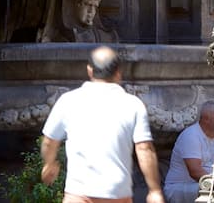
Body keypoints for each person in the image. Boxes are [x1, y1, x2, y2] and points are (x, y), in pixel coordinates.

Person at [41, 46, 164, 203]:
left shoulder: (68, 100)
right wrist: (154, 190)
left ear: (90, 70)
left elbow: (49, 141)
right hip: (116, 194)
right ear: (118, 73)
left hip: (78, 192)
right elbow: (144, 149)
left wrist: (49, 163)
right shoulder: (133, 104)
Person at [164, 100, 214, 203]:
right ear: (206, 119)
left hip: (205, 184)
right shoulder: (191, 136)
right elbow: (195, 172)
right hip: (179, 188)